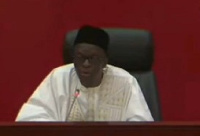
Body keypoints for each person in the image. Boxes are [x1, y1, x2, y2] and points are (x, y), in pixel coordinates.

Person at [16, 25, 154, 121]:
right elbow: (29, 120)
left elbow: (141, 126)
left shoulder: (125, 82)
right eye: (80, 58)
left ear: (105, 61)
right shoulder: (58, 78)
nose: (85, 64)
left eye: (92, 58)